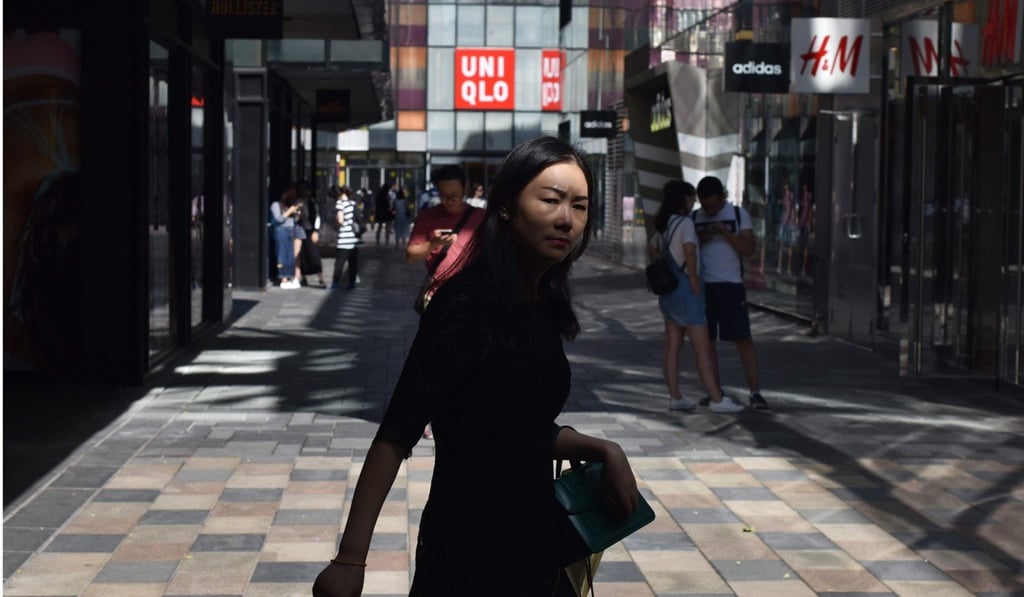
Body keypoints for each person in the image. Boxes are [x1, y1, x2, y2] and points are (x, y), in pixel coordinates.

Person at [312, 135, 642, 597]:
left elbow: (513, 425)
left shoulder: (543, 298)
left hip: (539, 541)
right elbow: (396, 432)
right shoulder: (465, 305)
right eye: (551, 200)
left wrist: (606, 450)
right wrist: (350, 560)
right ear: (505, 206)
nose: (567, 219)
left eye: (581, 206)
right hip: (469, 548)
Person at [650, 181, 744, 414]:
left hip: (668, 293)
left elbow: (652, 249)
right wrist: (693, 277)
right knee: (702, 348)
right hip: (687, 292)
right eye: (691, 197)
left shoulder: (663, 224)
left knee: (672, 347)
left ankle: (675, 397)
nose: (694, 202)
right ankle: (716, 398)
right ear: (683, 199)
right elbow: (690, 250)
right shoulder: (685, 224)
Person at [692, 176, 769, 411]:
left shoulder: (738, 214)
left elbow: (749, 249)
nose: (711, 210)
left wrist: (725, 233)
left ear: (723, 197)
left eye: (714, 206)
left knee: (742, 338)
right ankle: (716, 391)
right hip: (705, 287)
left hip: (731, 285)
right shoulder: (695, 217)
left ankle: (755, 391)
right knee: (707, 342)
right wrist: (701, 239)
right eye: (706, 206)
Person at [405, 164, 485, 287]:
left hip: (472, 291)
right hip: (438, 292)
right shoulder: (426, 217)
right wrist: (434, 243)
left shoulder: (480, 216)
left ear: (465, 189)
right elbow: (411, 256)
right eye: (443, 196)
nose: (449, 201)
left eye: (454, 195)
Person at [269, 185, 301, 289]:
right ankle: (283, 277)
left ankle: (288, 276)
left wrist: (296, 213)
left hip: (290, 230)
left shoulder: (288, 205)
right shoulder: (275, 204)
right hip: (281, 230)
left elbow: (294, 220)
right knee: (282, 253)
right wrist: (289, 212)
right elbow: (278, 219)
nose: (290, 195)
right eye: (288, 193)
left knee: (290, 254)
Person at [331, 185, 361, 290]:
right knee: (352, 262)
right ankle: (352, 283)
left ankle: (335, 283)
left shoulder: (340, 204)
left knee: (339, 262)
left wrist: (336, 225)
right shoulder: (352, 203)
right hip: (353, 238)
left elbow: (340, 220)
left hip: (344, 237)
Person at [296, 180, 325, 287]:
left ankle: (320, 278)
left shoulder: (312, 201)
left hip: (311, 230)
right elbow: (297, 218)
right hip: (302, 229)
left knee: (314, 254)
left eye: (304, 188)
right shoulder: (298, 201)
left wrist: (316, 231)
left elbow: (317, 216)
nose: (303, 190)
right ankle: (304, 277)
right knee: (303, 255)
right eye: (301, 188)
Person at [392, 184, 411, 248]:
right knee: (404, 230)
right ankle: (403, 243)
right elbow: (408, 209)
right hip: (404, 216)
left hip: (397, 216)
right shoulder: (405, 201)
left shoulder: (395, 201)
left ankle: (397, 244)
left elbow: (393, 209)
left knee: (397, 230)